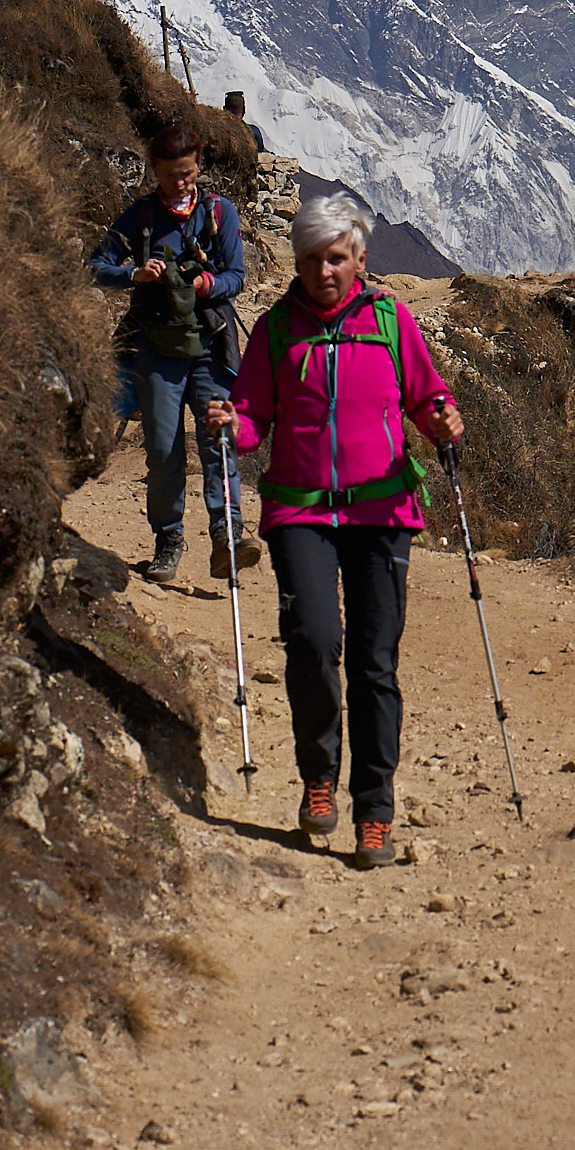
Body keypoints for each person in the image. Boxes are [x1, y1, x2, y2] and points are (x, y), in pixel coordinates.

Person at [206, 197, 464, 870]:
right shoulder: (273, 330)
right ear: (299, 262)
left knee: (375, 662)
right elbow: (254, 414)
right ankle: (319, 774)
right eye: (313, 259)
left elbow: (427, 395)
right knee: (314, 643)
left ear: (360, 258)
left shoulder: (390, 320)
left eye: (337, 257)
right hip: (301, 514)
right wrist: (234, 428)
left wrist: (443, 419)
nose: (325, 270)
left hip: (383, 513)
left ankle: (373, 810)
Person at [89, 120, 249, 583]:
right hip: (155, 349)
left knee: (219, 439)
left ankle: (228, 534)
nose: (181, 183)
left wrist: (209, 284)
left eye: (188, 173)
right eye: (171, 175)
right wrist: (133, 276)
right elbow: (96, 266)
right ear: (154, 171)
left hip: (210, 346)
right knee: (162, 451)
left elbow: (236, 275)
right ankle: (169, 539)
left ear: (199, 166)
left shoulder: (220, 213)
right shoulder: (139, 218)